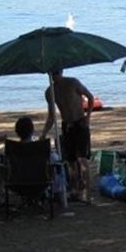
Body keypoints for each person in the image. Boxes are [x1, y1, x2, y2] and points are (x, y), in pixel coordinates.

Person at [42, 68, 94, 202]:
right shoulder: (50, 92)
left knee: (82, 159)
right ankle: (75, 189)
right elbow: (51, 117)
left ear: (62, 72)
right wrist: (43, 134)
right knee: (70, 161)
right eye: (53, 74)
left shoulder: (73, 83)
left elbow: (90, 97)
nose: (55, 76)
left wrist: (87, 117)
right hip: (67, 125)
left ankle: (87, 193)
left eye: (57, 73)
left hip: (80, 123)